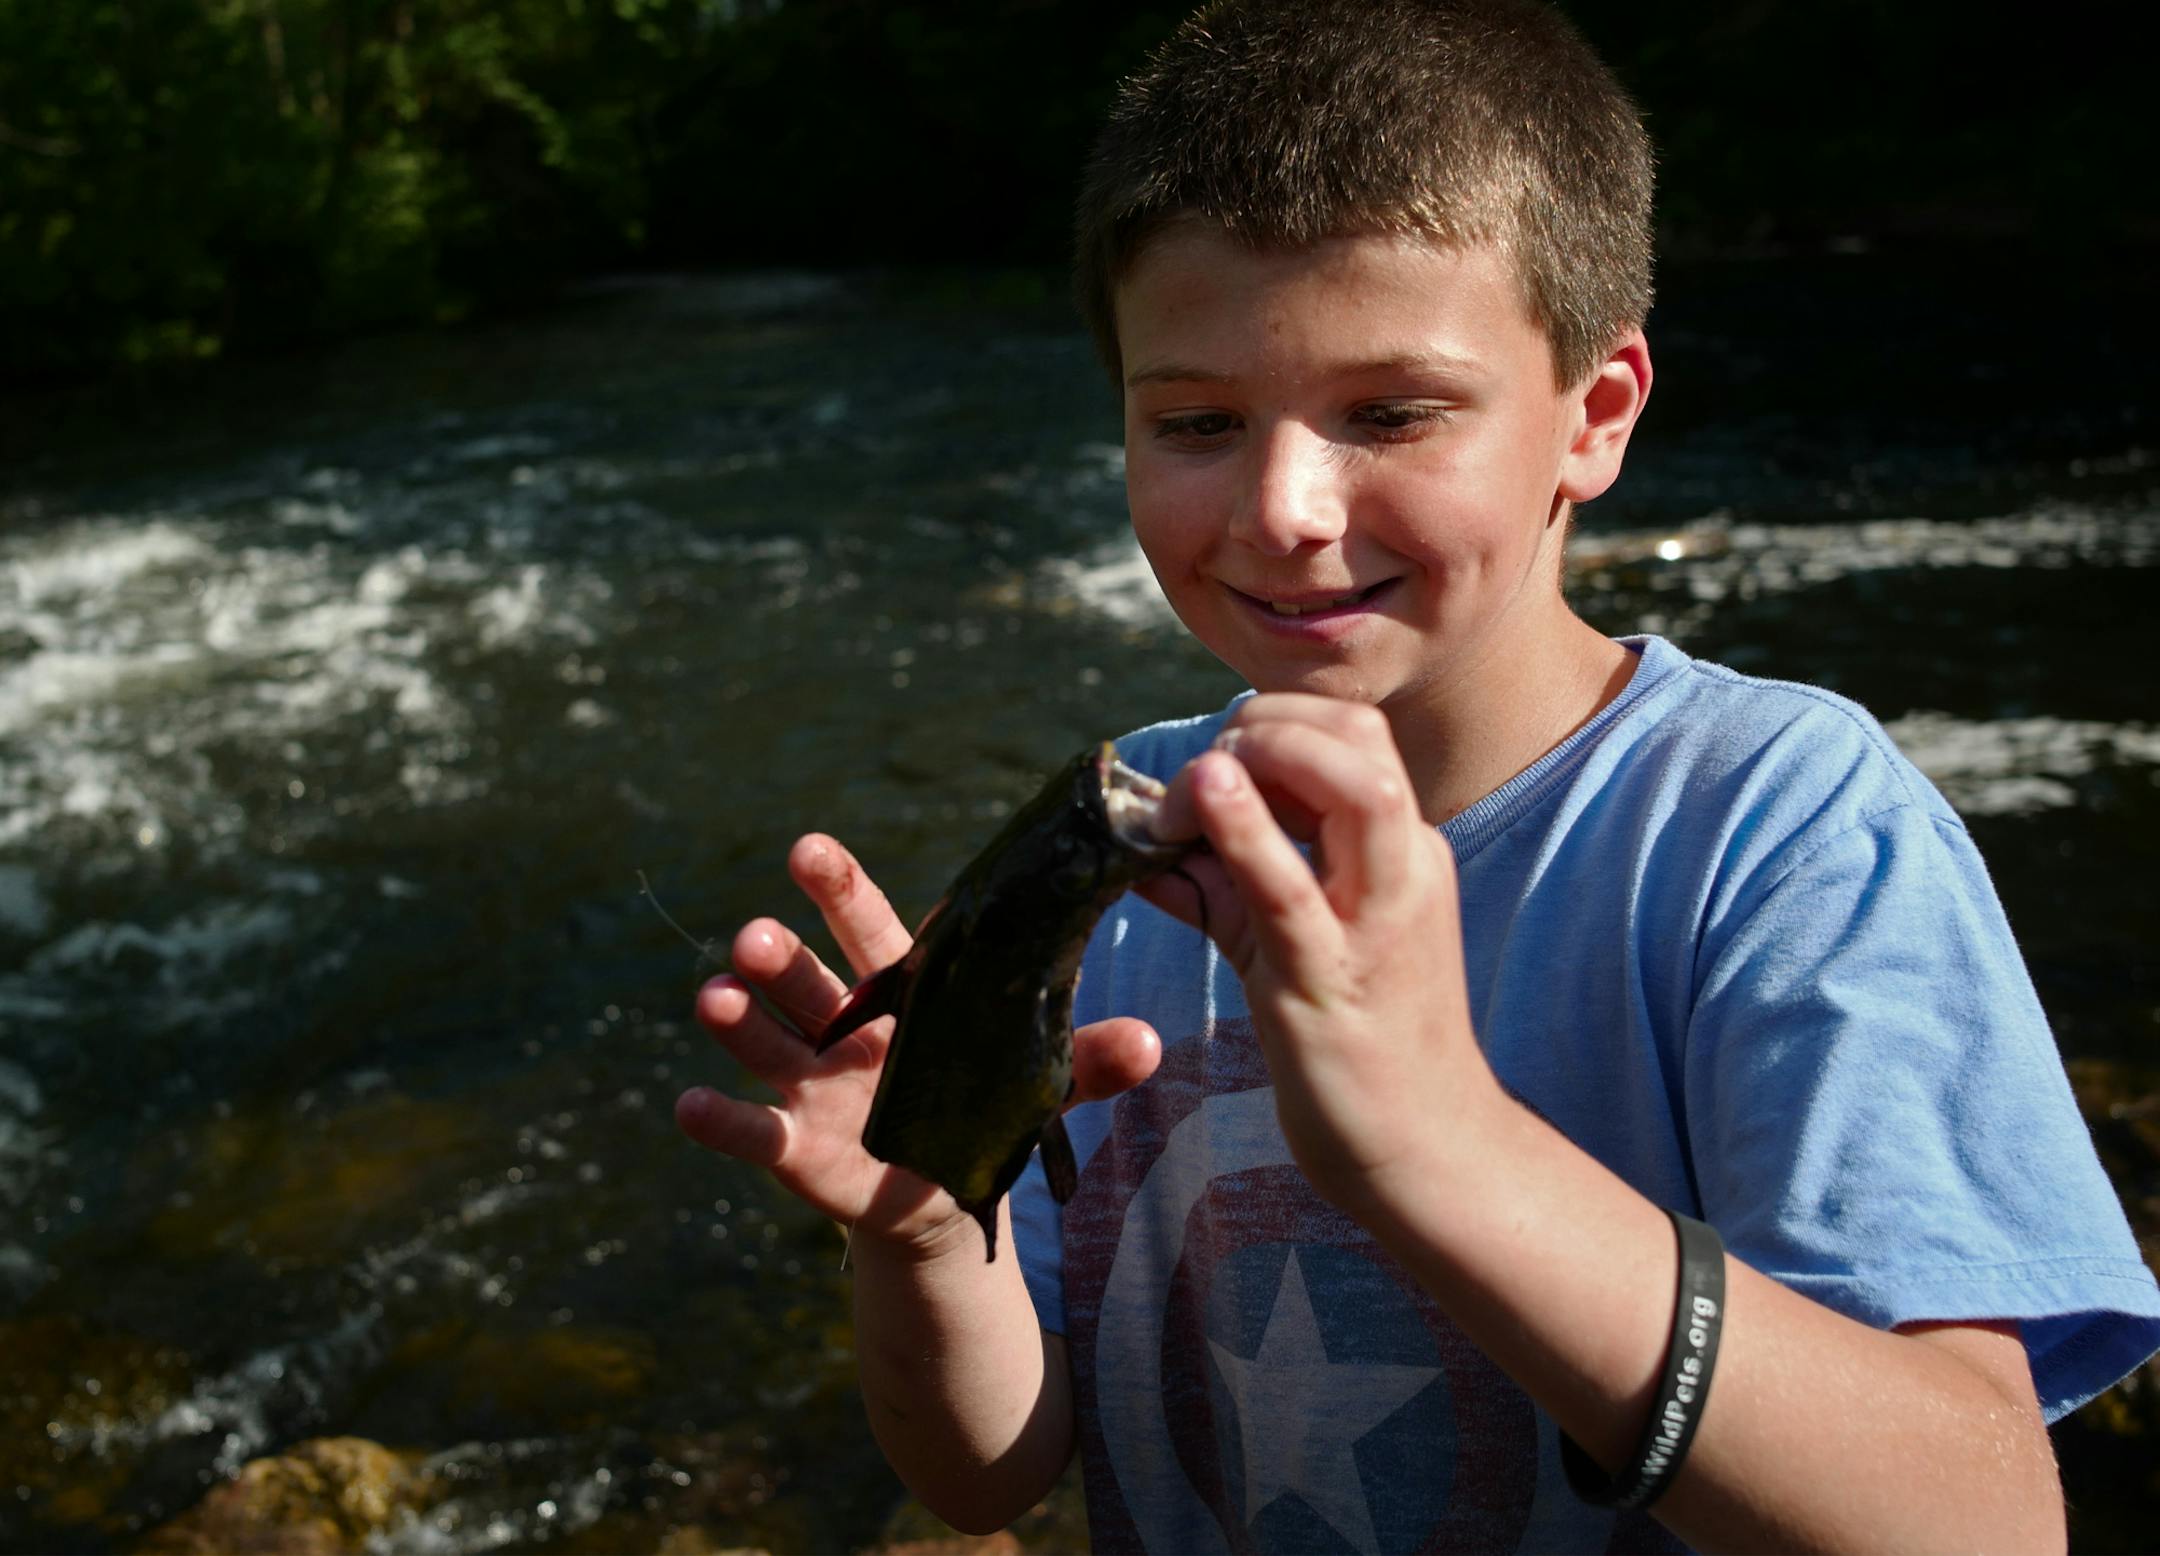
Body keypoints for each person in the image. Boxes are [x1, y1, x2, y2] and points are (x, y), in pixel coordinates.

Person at [674, 0, 2160, 1548]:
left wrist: (1437, 1143)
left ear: (1595, 416)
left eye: (1390, 413)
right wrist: (927, 1227)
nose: (1286, 506)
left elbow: (1982, 1521)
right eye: (1196, 421)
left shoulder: (1773, 827)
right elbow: (984, 1473)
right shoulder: (1119, 858)